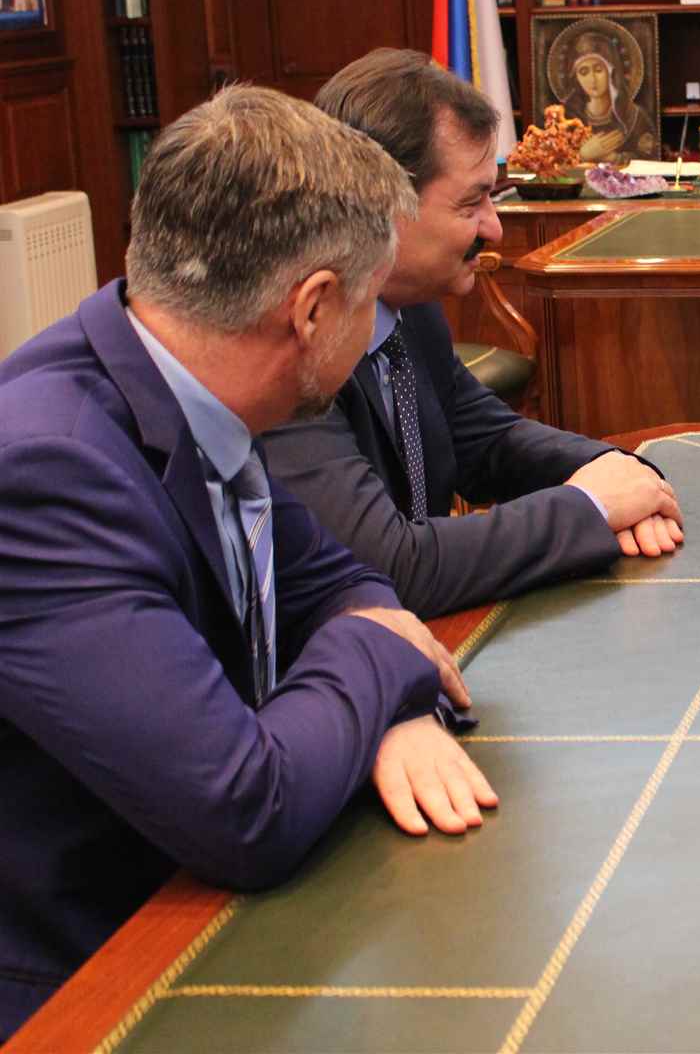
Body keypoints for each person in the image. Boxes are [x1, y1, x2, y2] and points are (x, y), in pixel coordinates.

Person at [0, 85, 495, 1041]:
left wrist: (385, 705)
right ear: (311, 310)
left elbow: (340, 581)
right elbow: (246, 806)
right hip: (91, 986)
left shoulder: (189, 377)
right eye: (367, 304)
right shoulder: (46, 474)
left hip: (203, 915)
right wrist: (383, 659)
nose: (372, 330)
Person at [260, 49, 684, 620]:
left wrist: (623, 473)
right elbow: (391, 567)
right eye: (471, 202)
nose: (495, 227)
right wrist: (591, 506)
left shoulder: (410, 310)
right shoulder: (298, 343)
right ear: (380, 209)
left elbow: (486, 441)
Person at [564, 33, 638, 161]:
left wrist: (614, 158)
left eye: (598, 70)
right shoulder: (566, 118)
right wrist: (582, 155)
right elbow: (552, 162)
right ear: (576, 78)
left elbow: (650, 159)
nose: (592, 79)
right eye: (584, 72)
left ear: (611, 72)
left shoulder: (633, 115)